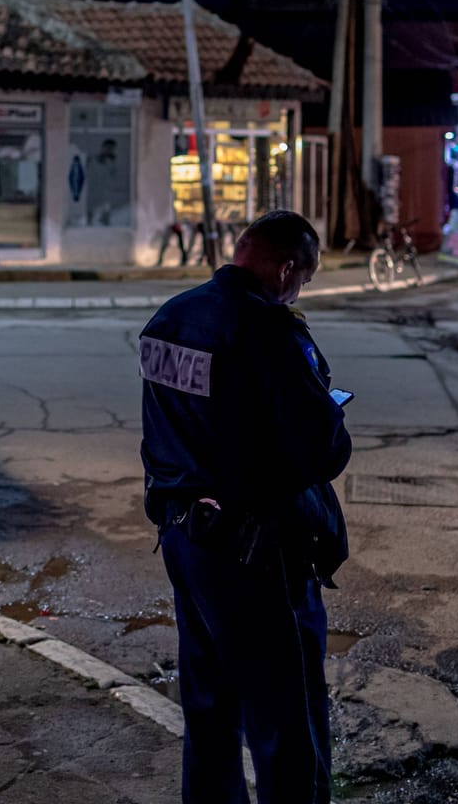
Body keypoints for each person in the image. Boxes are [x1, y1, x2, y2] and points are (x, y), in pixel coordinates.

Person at [139, 209, 350, 804]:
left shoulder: (169, 318)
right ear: (285, 269)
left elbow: (166, 428)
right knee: (284, 713)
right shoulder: (267, 332)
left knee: (208, 704)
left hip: (185, 536)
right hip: (253, 550)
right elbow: (322, 449)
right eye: (303, 277)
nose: (299, 290)